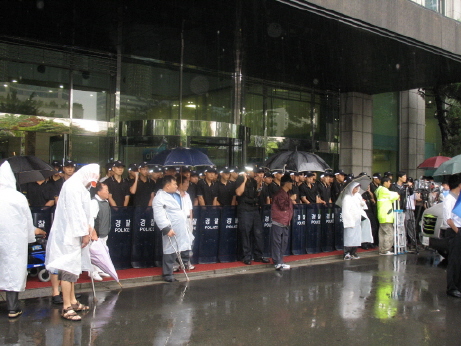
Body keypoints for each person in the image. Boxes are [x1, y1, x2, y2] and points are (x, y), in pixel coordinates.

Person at [46, 164, 100, 321]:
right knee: (68, 269)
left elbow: (83, 212)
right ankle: (67, 306)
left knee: (73, 269)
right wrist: (83, 233)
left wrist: (88, 228)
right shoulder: (73, 187)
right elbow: (75, 212)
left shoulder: (78, 186)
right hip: (69, 235)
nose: (90, 186)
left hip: (73, 234)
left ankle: (73, 301)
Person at [0, 161, 42, 319]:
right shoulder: (19, 197)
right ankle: (12, 308)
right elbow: (27, 221)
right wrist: (31, 238)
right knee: (13, 270)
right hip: (14, 242)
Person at [153, 175, 192, 282]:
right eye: (174, 184)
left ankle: (183, 264)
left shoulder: (176, 195)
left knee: (184, 246)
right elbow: (158, 215)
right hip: (171, 227)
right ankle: (167, 274)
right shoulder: (160, 198)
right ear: (168, 185)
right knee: (170, 250)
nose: (176, 186)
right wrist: (166, 228)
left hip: (182, 226)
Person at [235, 169, 270, 265]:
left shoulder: (255, 182)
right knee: (245, 233)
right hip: (245, 208)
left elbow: (257, 194)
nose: (260, 175)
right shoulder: (241, 179)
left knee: (258, 233)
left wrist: (260, 184)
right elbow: (238, 192)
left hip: (254, 208)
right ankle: (246, 256)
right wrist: (245, 180)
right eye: (258, 173)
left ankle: (259, 255)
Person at [89, 182, 112, 281]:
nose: (108, 192)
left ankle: (99, 270)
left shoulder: (105, 202)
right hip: (96, 234)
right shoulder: (94, 202)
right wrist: (94, 233)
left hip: (104, 233)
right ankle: (92, 272)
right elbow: (91, 219)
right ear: (98, 192)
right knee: (94, 254)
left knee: (102, 253)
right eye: (106, 190)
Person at [443, 175, 461, 298]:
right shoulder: (448, 199)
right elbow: (448, 220)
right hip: (454, 231)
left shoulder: (458, 198)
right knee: (454, 261)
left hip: (458, 230)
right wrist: (458, 232)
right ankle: (452, 287)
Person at [271, 173, 293, 270]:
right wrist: (290, 200)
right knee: (277, 242)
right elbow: (283, 206)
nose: (292, 185)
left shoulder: (287, 194)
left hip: (286, 221)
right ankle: (277, 262)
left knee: (284, 242)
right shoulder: (280, 194)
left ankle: (281, 260)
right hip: (278, 221)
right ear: (286, 183)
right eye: (291, 183)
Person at [375, 177, 400, 255]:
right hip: (386, 215)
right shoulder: (383, 190)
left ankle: (382, 250)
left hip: (382, 215)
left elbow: (390, 198)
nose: (390, 184)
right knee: (389, 233)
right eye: (389, 182)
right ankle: (386, 249)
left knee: (382, 234)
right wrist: (397, 195)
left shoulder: (378, 190)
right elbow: (394, 195)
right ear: (385, 182)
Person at [340, 182, 363, 260]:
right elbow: (346, 210)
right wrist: (349, 219)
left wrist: (362, 203)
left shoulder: (358, 196)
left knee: (356, 237)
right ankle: (347, 253)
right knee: (349, 237)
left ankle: (353, 252)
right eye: (355, 187)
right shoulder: (347, 198)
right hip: (350, 220)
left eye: (357, 188)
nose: (356, 189)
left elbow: (361, 205)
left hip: (357, 219)